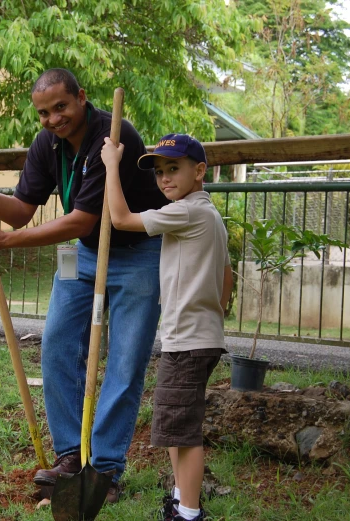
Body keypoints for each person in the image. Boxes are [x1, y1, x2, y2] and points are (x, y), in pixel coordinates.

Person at [0, 69, 168, 503]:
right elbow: (18, 211)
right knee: (55, 343)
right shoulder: (45, 144)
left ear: (81, 98)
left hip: (138, 253)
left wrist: (6, 241)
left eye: (61, 107)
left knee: (125, 362)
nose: (53, 118)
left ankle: (105, 469)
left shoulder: (114, 134)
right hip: (86, 255)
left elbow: (83, 218)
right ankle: (71, 455)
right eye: (44, 113)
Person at [101, 133, 234, 521]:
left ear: (200, 171)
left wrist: (111, 165)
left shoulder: (188, 211)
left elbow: (121, 219)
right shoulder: (209, 214)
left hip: (187, 340)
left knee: (184, 432)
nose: (164, 179)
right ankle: (180, 500)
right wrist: (211, 317)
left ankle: (188, 514)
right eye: (159, 172)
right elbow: (226, 276)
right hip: (200, 336)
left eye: (173, 169)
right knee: (176, 425)